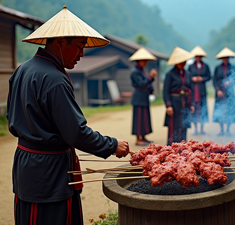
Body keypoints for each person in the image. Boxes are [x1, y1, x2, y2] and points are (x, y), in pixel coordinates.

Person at [6, 6, 130, 225]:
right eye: (79, 46)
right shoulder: (54, 79)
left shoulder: (22, 70)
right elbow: (76, 132)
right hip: (49, 172)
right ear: (61, 42)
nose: (82, 54)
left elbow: (11, 116)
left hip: (26, 166)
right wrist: (112, 145)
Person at [164, 46, 195, 145]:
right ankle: (171, 150)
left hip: (185, 103)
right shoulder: (170, 74)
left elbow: (191, 89)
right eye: (181, 61)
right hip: (174, 104)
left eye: (184, 61)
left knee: (184, 125)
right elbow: (165, 91)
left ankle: (184, 147)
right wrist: (168, 105)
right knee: (174, 127)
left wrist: (192, 104)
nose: (183, 63)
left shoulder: (188, 74)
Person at [129, 47, 158, 146]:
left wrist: (151, 90)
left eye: (146, 60)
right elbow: (142, 84)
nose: (145, 62)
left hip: (144, 97)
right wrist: (151, 77)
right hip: (138, 97)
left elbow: (147, 84)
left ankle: (143, 136)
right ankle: (137, 139)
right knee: (138, 118)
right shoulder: (135, 72)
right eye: (143, 60)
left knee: (144, 118)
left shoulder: (141, 70)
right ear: (139, 61)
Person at [212, 47, 235, 136]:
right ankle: (221, 129)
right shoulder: (217, 68)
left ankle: (228, 130)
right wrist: (218, 90)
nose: (225, 59)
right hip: (220, 93)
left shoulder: (233, 67)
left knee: (229, 111)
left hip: (229, 93)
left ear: (229, 58)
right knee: (220, 110)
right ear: (221, 58)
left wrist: (230, 81)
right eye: (224, 57)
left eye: (227, 57)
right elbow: (214, 81)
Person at [188, 46, 211, 135]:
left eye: (199, 56)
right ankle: (195, 129)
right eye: (196, 56)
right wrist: (192, 78)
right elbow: (187, 76)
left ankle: (202, 128)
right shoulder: (190, 66)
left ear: (202, 57)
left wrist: (202, 79)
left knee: (203, 110)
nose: (198, 57)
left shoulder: (206, 66)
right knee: (193, 109)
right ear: (194, 57)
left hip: (202, 91)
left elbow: (209, 77)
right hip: (193, 91)